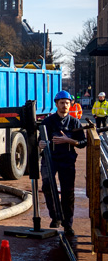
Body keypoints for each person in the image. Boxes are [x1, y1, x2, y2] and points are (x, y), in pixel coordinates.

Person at [39, 90, 86, 237]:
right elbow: (39, 139)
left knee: (68, 192)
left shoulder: (74, 122)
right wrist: (40, 143)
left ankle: (68, 224)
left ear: (70, 104)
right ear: (56, 104)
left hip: (67, 160)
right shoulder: (48, 122)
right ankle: (55, 217)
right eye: (62, 103)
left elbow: (83, 143)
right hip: (50, 159)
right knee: (47, 187)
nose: (65, 105)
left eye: (67, 103)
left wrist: (68, 141)